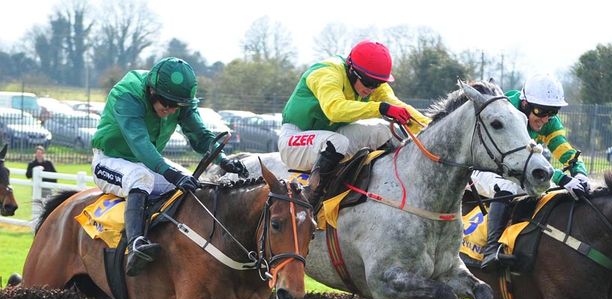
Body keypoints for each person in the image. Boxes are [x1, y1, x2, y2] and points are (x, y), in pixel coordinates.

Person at [90, 57, 247, 277]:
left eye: (178, 106)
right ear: (151, 92)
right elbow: (140, 144)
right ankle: (135, 244)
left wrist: (223, 160)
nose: (172, 110)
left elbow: (200, 136)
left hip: (147, 163)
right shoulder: (127, 95)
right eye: (167, 104)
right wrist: (170, 174)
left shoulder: (178, 102)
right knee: (140, 177)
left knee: (195, 186)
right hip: (109, 161)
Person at [279, 40, 430, 209]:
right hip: (294, 138)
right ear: (352, 70)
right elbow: (334, 109)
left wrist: (432, 127)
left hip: (331, 136)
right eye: (368, 82)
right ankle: (310, 203)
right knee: (337, 142)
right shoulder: (326, 73)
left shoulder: (372, 83)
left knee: (382, 130)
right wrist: (380, 108)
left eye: (378, 83)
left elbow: (399, 107)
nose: (372, 88)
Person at [475, 73, 591, 270]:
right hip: (483, 166)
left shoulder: (547, 121)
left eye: (552, 112)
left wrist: (579, 172)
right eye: (541, 111)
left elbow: (564, 150)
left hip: (513, 168)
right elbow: (521, 165)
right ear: (525, 103)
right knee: (509, 186)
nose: (545, 119)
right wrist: (562, 178)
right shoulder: (507, 112)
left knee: (549, 190)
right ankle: (491, 249)